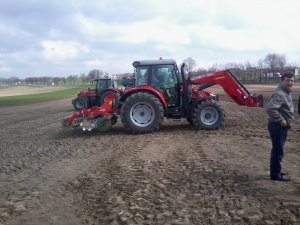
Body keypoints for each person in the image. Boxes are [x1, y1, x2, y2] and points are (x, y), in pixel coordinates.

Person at [267, 72, 295, 181]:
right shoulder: (280, 93)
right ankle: (275, 175)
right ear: (282, 81)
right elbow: (270, 109)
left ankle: (276, 171)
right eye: (287, 80)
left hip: (281, 126)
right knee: (278, 151)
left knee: (278, 150)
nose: (290, 83)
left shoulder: (286, 92)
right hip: (278, 126)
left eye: (292, 80)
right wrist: (281, 120)